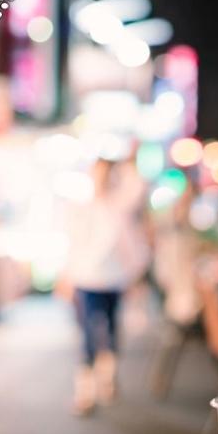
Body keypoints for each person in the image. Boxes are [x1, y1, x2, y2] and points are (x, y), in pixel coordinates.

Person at [59, 157, 148, 415]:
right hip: (86, 280)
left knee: (110, 329)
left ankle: (106, 380)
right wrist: (66, 277)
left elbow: (137, 189)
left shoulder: (117, 207)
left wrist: (129, 162)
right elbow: (73, 246)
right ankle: (86, 391)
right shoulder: (82, 208)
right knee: (88, 332)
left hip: (113, 280)